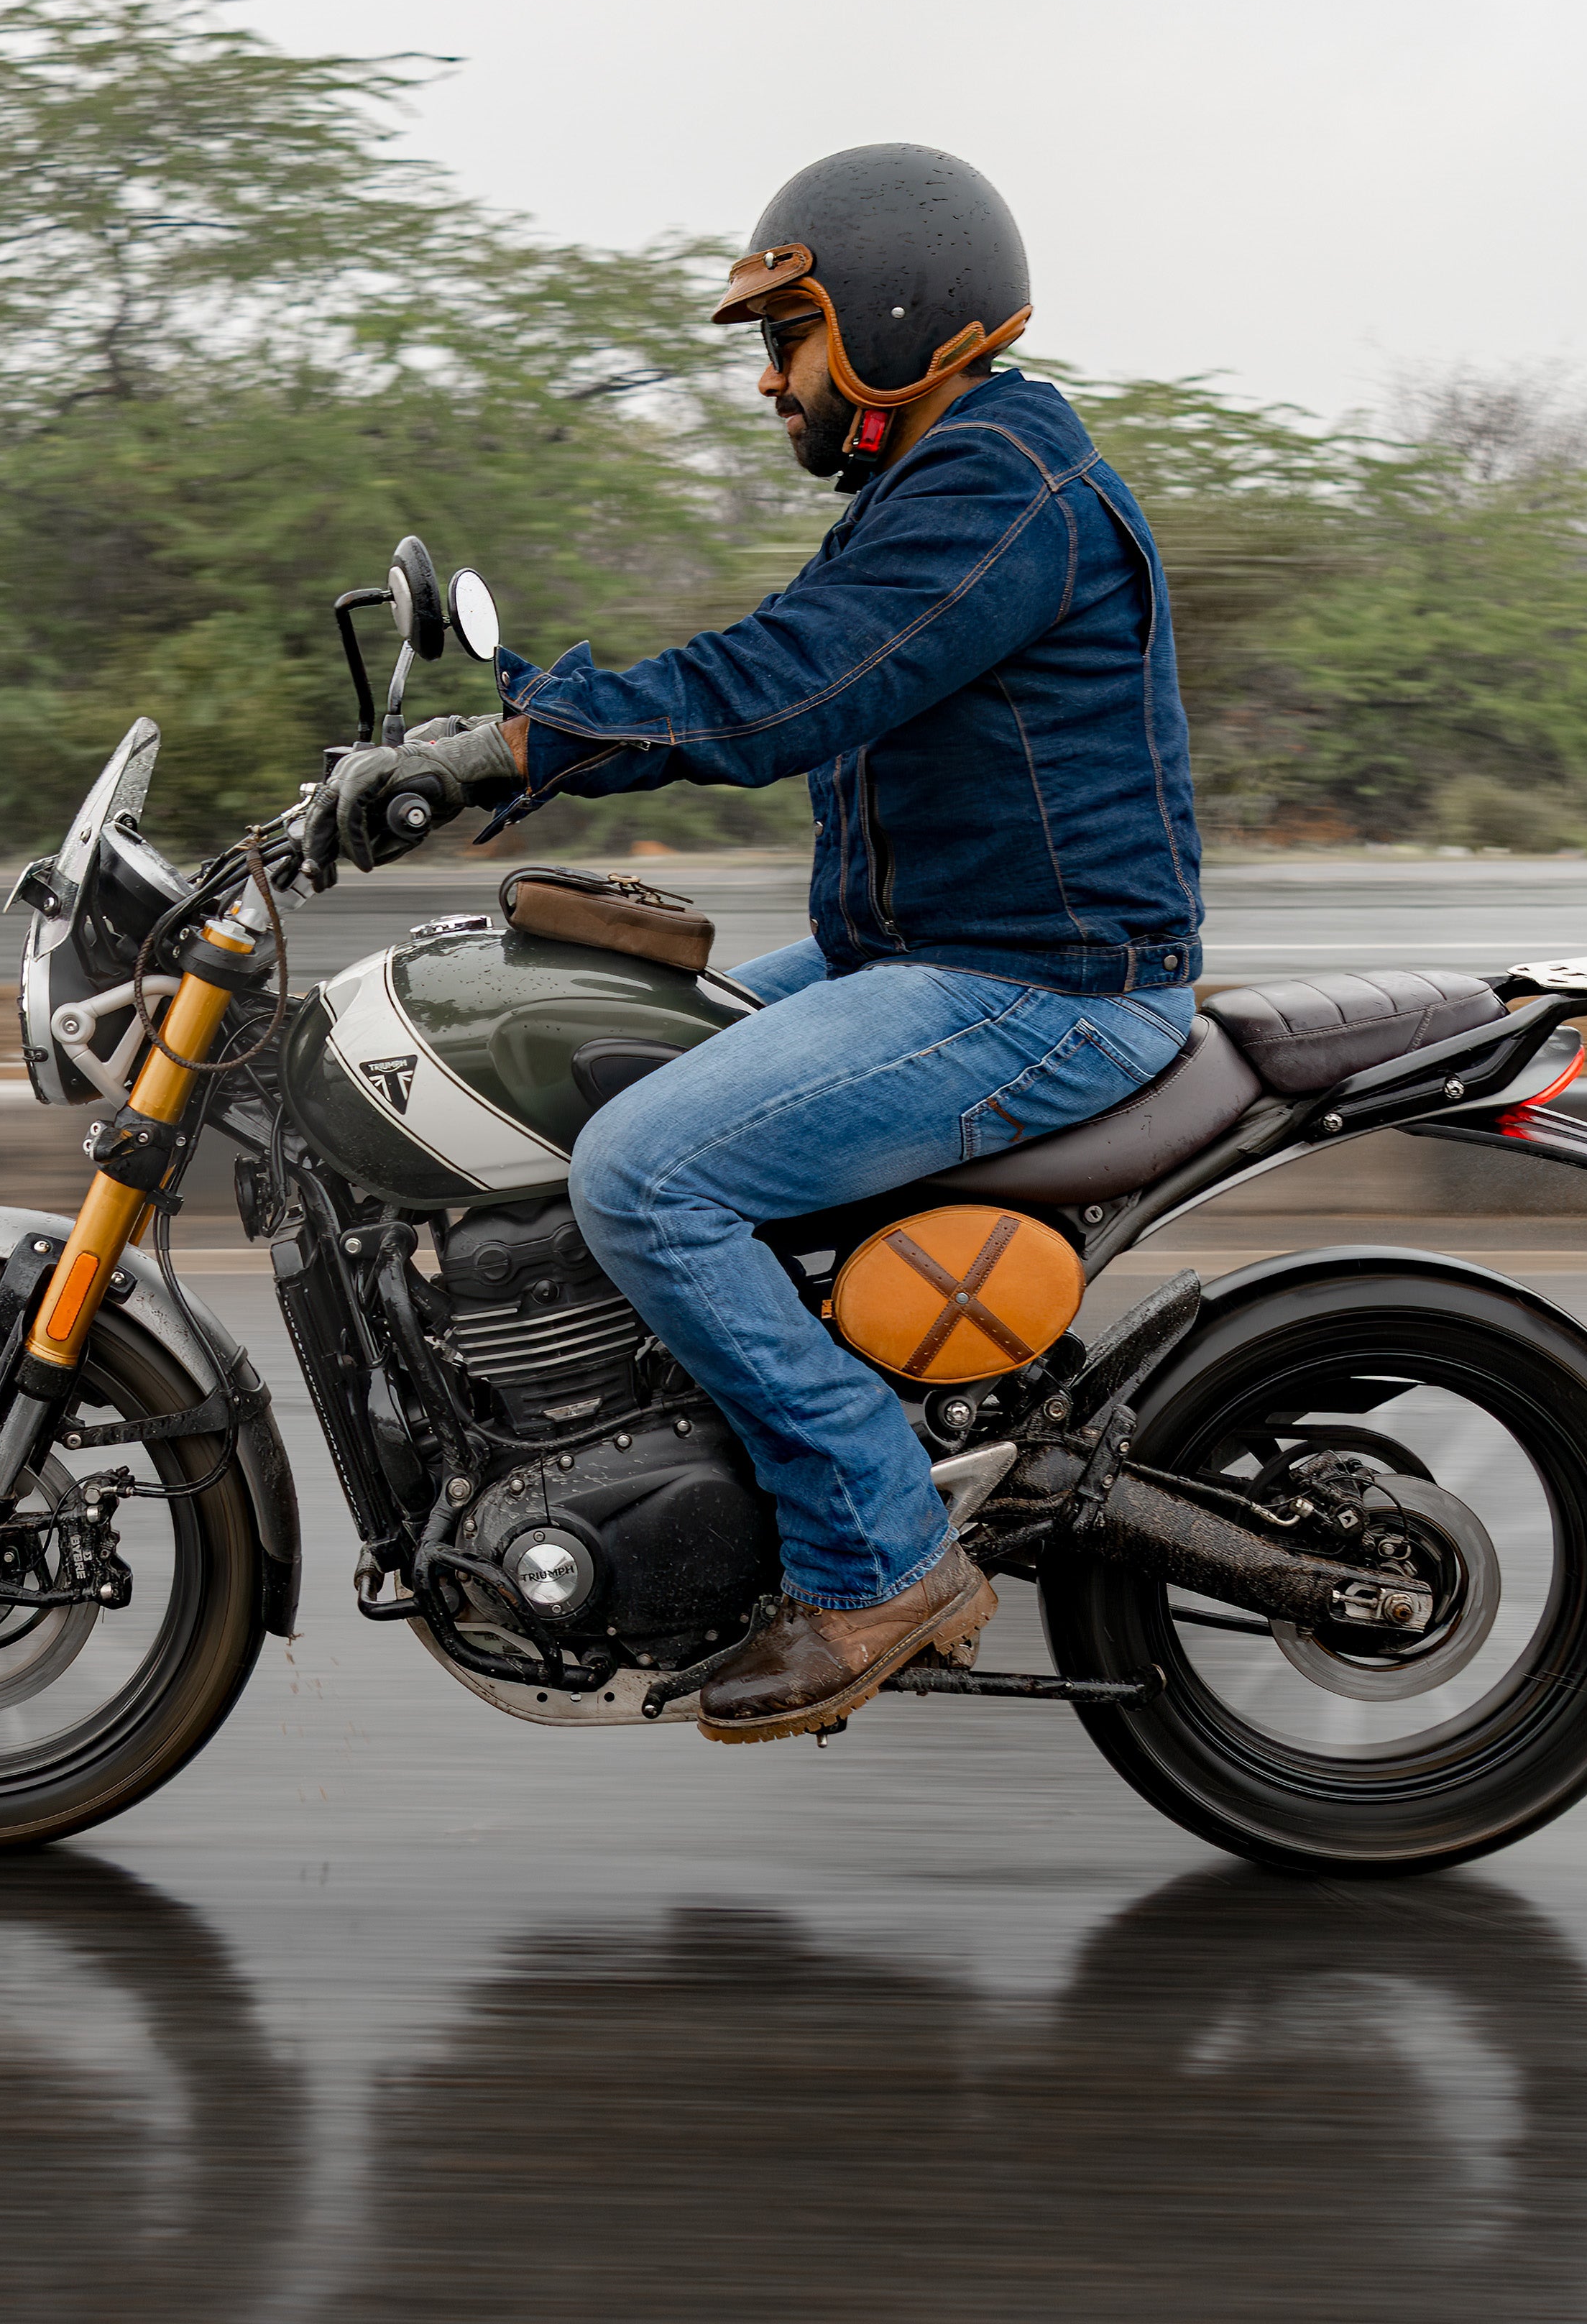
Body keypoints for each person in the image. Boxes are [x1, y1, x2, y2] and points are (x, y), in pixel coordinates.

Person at [326, 144, 1203, 1744]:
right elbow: (770, 658)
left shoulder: (998, 490)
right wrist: (504, 728)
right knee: (590, 1055)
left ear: (889, 320)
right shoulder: (941, 481)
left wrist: (521, 750)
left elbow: (786, 688)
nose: (767, 379)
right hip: (925, 954)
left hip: (1039, 986)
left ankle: (879, 1557)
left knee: (646, 1172)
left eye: (787, 338)